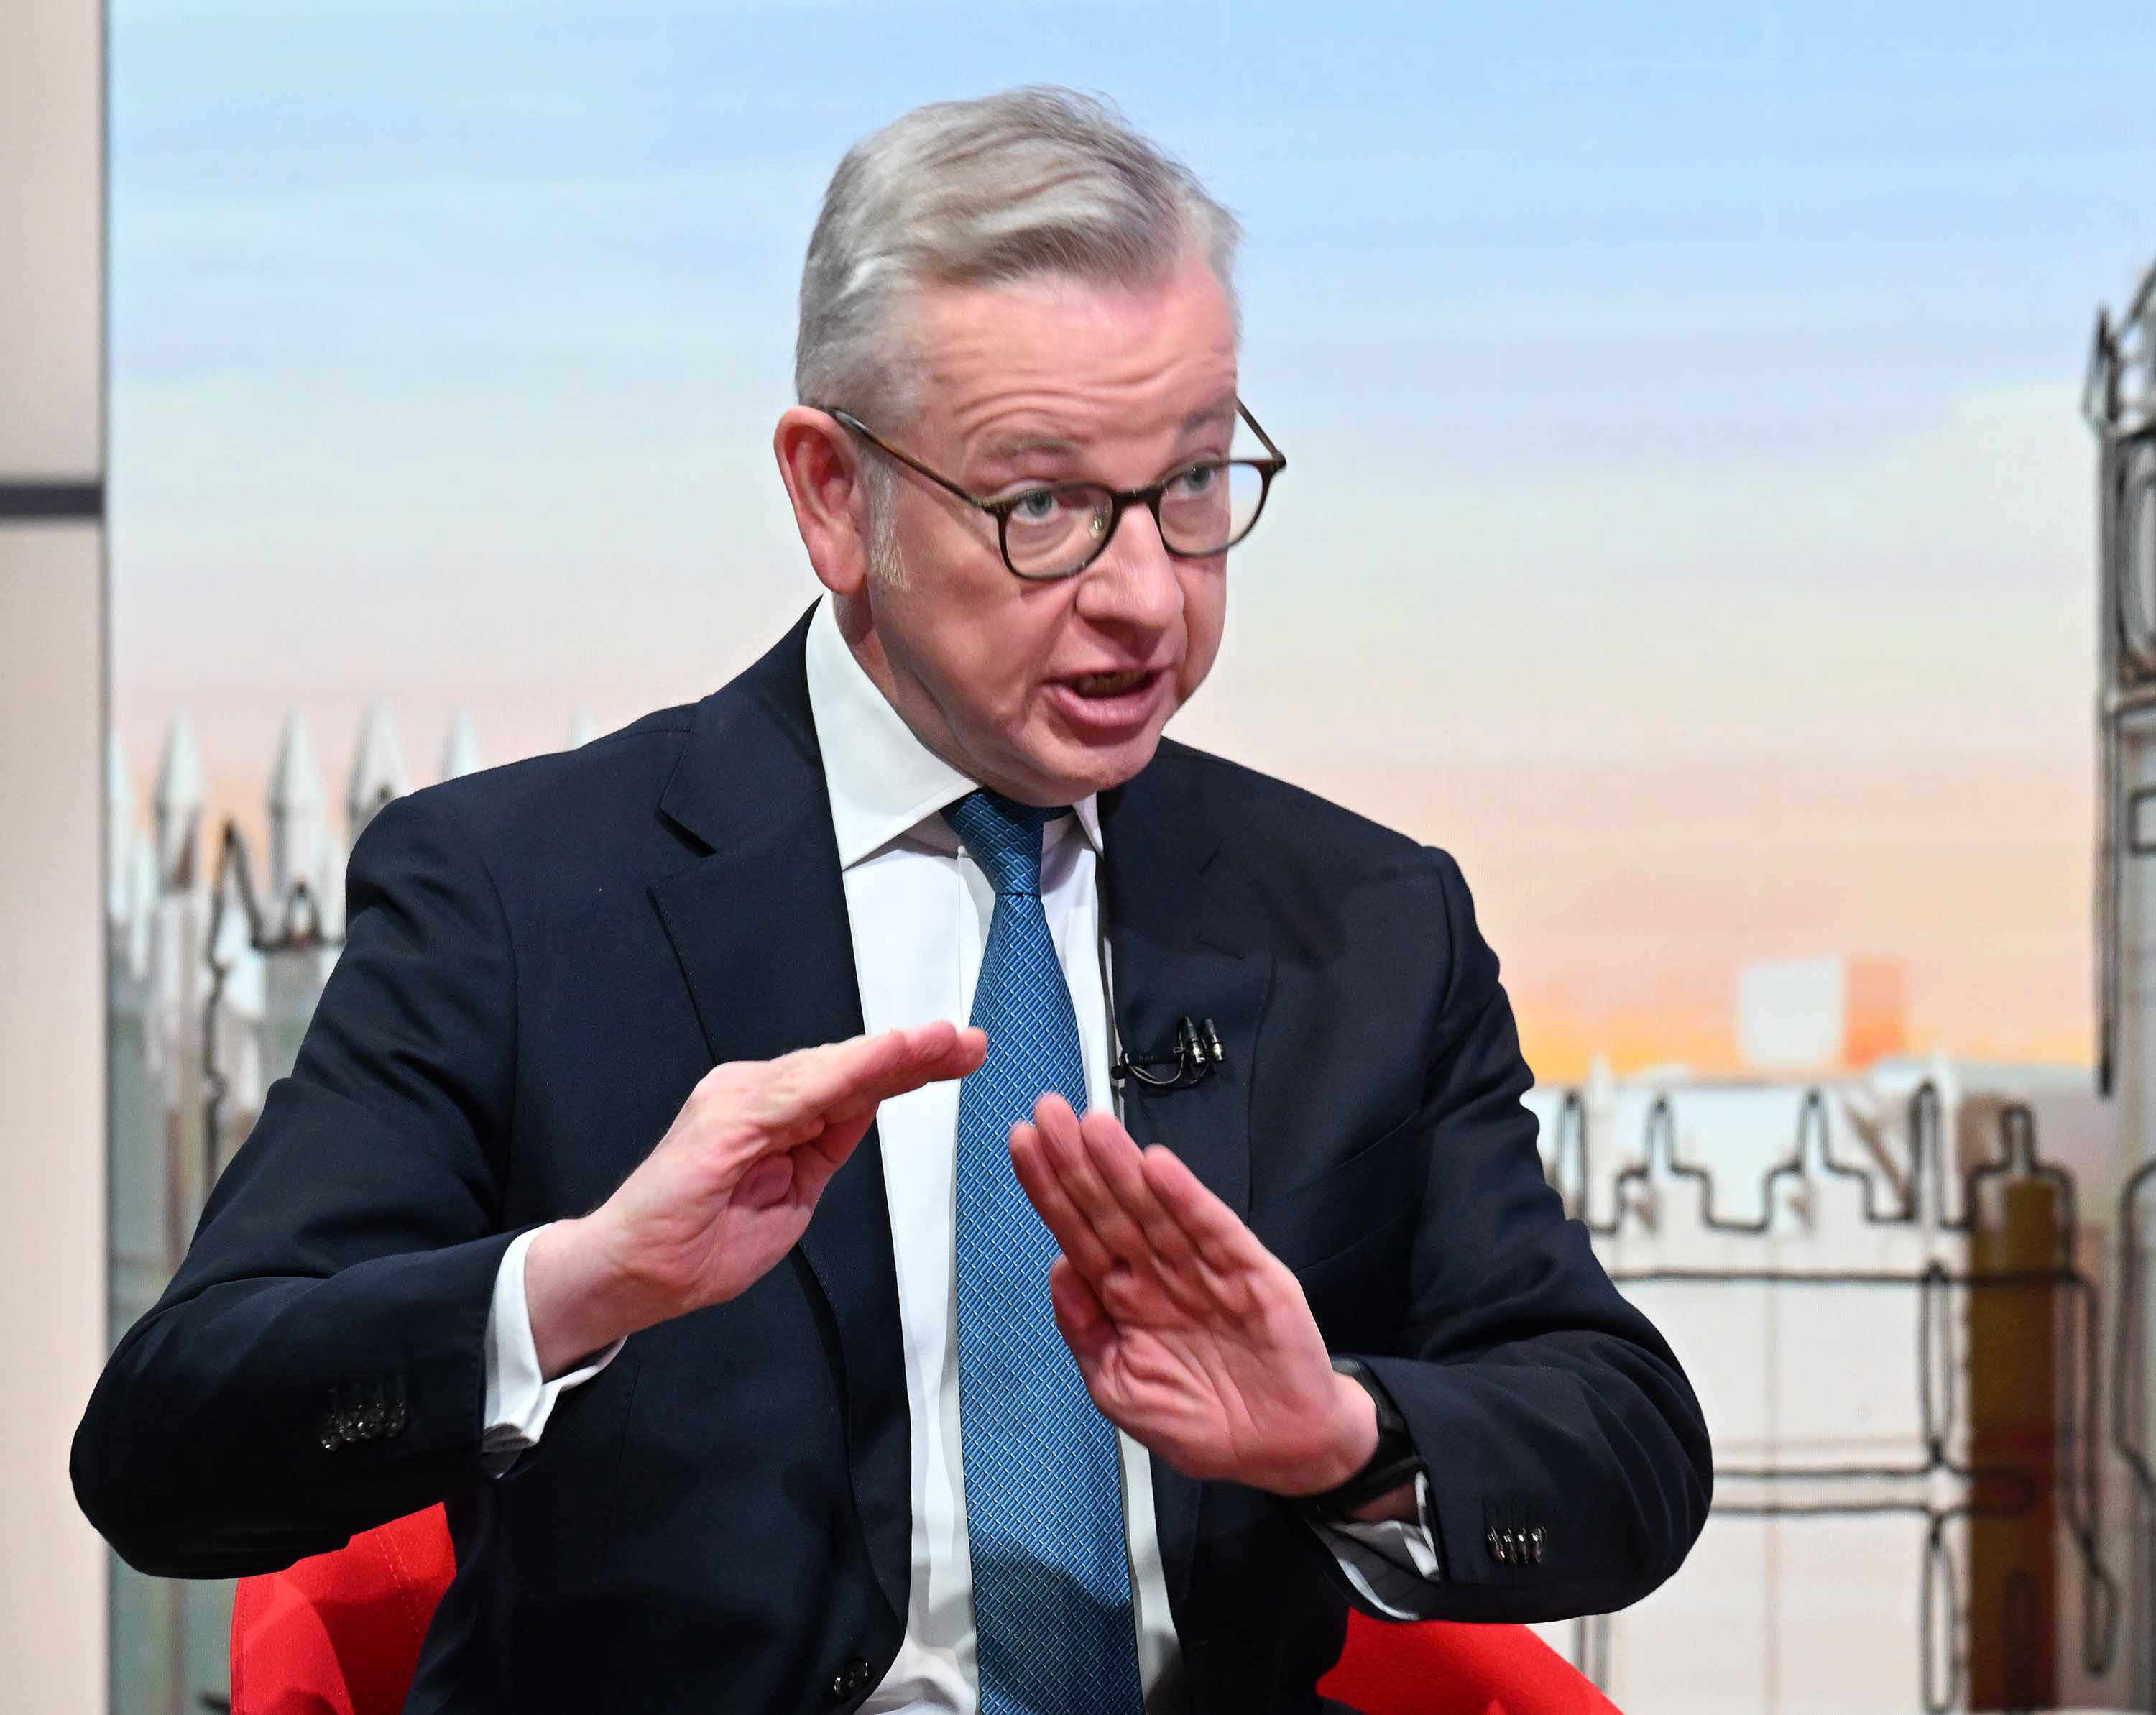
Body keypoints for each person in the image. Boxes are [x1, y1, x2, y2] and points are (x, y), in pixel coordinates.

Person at [73, 86, 1710, 1714]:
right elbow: (165, 1445)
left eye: (1197, 483)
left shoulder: (1364, 920)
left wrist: (1343, 1434)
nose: (1149, 597)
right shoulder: (516, 896)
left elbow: (1623, 1435)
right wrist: (579, 1286)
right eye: (1042, 504)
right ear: (833, 495)